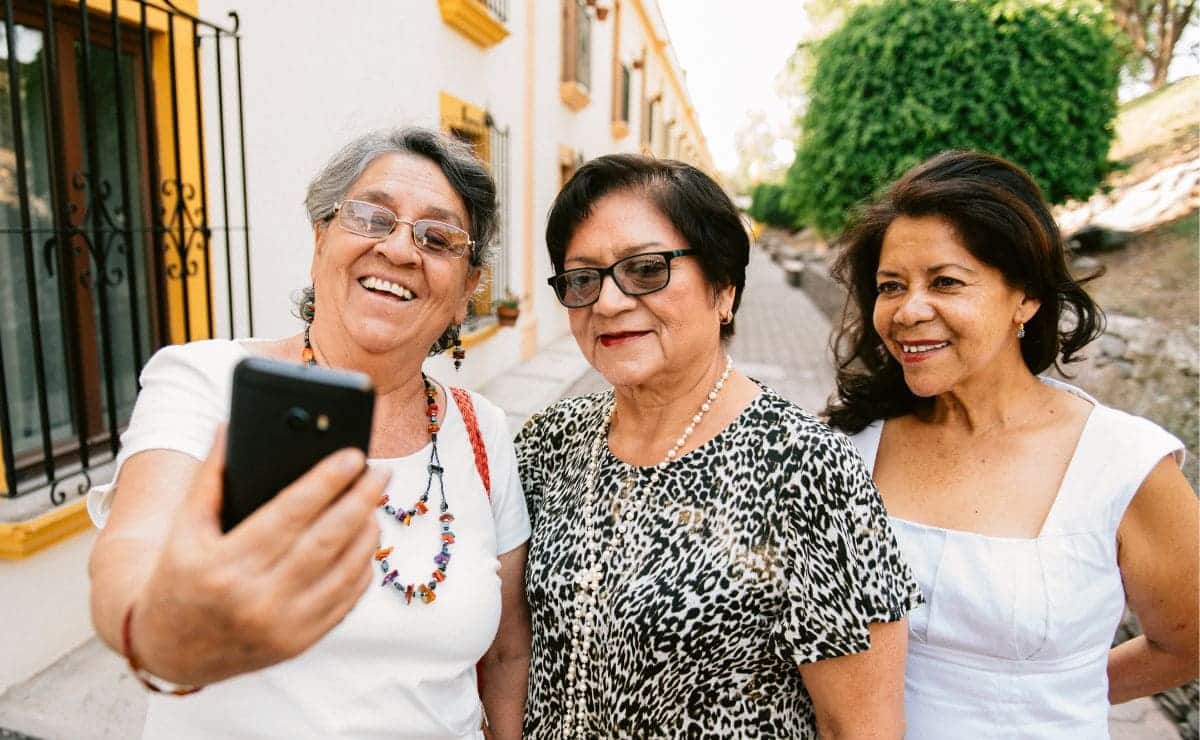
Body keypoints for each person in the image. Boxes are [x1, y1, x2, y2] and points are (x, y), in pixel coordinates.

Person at [86, 127, 531, 739]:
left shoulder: (482, 430)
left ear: (465, 292)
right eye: (372, 218)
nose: (401, 250)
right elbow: (130, 553)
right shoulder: (210, 381)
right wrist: (167, 638)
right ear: (321, 239)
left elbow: (506, 652)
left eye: (439, 238)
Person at [515, 153, 923, 738]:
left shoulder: (809, 470)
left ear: (724, 288)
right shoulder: (552, 440)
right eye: (582, 279)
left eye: (647, 269)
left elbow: (859, 725)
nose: (606, 302)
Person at [825, 150, 1199, 738]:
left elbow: (1186, 645)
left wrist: (1053, 696)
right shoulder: (848, 447)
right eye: (890, 286)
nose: (908, 310)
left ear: (1024, 297)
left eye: (946, 282)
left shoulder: (1122, 463)